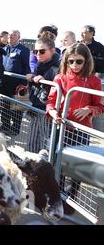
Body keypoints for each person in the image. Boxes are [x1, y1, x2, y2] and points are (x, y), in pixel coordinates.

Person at [47, 43, 104, 201]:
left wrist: (89, 110)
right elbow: (50, 102)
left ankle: (72, 199)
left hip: (82, 129)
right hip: (61, 127)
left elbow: (100, 106)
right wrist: (53, 113)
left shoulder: (94, 80)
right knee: (58, 163)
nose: (74, 65)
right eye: (70, 61)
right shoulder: (60, 77)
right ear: (65, 61)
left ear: (87, 61)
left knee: (77, 167)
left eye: (79, 61)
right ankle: (58, 197)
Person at [26, 33, 60, 153]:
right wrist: (32, 78)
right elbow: (36, 87)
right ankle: (31, 168)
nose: (38, 54)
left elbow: (58, 88)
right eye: (35, 51)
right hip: (36, 107)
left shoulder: (58, 67)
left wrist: (44, 81)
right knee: (31, 142)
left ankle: (47, 169)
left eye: (41, 51)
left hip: (48, 112)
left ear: (52, 50)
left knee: (47, 144)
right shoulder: (40, 64)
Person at [0, 30, 30, 136]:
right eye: (10, 35)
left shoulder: (24, 50)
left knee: (17, 107)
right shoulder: (3, 49)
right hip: (4, 83)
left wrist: (23, 83)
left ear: (19, 37)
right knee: (5, 105)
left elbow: (26, 67)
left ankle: (15, 129)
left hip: (18, 83)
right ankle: (5, 125)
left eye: (14, 35)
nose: (11, 36)